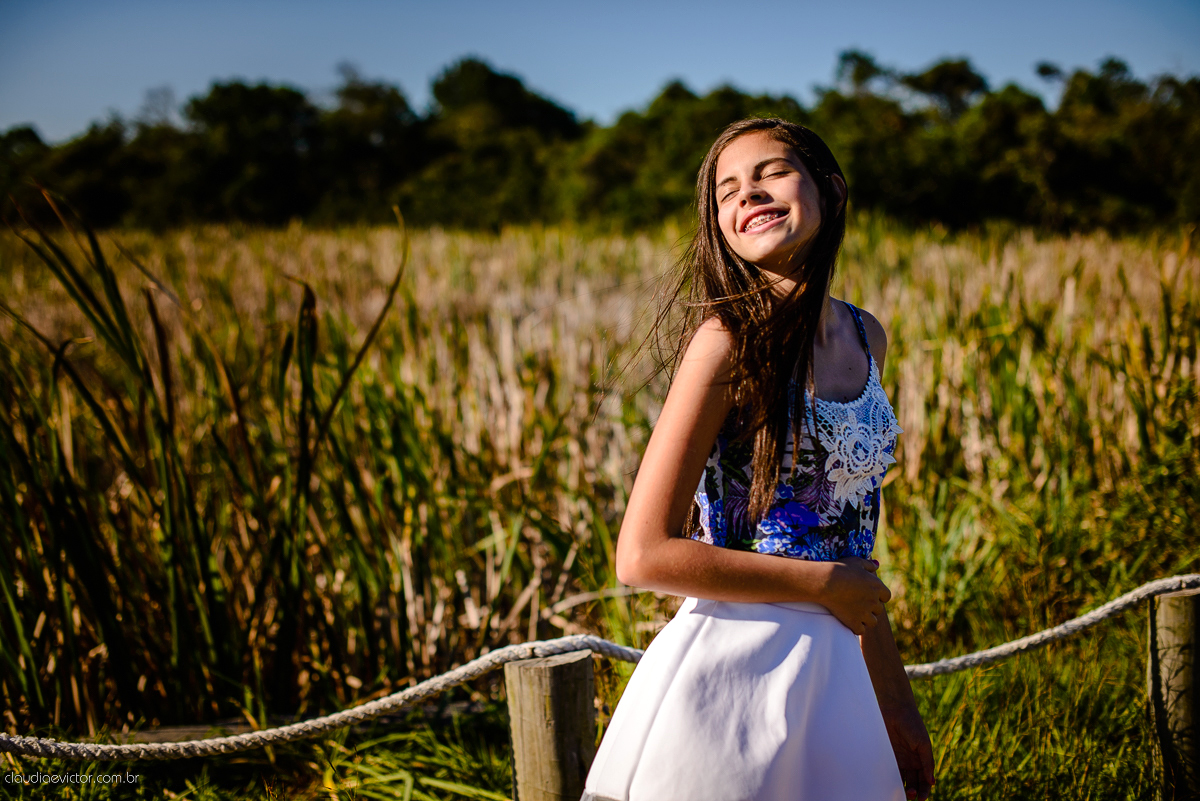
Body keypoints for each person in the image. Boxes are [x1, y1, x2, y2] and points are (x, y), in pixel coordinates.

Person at [581, 118, 935, 801]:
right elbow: (643, 554)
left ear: (830, 191)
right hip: (735, 672)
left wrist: (893, 700)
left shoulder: (868, 336)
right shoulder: (725, 342)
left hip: (839, 683)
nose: (748, 194)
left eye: (770, 172)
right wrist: (821, 586)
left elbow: (853, 547)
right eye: (726, 190)